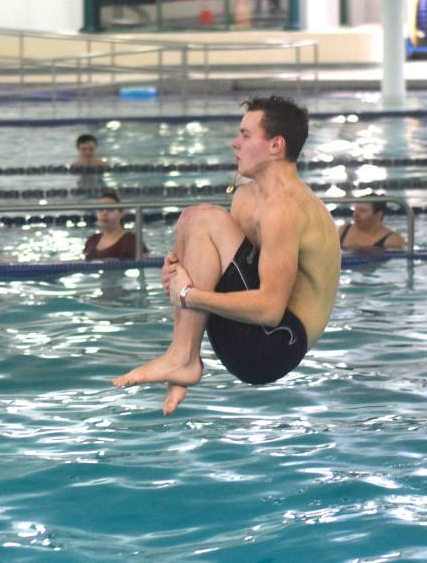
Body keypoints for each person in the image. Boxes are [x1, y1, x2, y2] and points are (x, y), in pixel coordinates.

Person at [113, 96, 341, 414]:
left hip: (276, 345)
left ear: (276, 145)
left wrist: (189, 294)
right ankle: (182, 363)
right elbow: (221, 266)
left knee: (203, 217)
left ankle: (182, 358)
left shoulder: (287, 207)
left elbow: (270, 310)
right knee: (191, 223)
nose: (235, 143)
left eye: (246, 135)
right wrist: (179, 269)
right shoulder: (246, 197)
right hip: (247, 341)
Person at [84, 190, 147, 260]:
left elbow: (146, 267)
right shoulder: (92, 240)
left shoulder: (131, 241)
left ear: (121, 214)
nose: (104, 213)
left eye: (110, 209)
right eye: (100, 209)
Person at [339, 198, 406, 251]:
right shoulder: (343, 231)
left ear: (378, 215)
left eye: (362, 211)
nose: (355, 215)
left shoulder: (392, 240)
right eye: (355, 210)